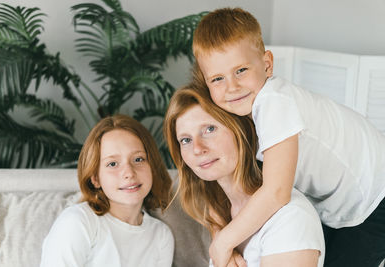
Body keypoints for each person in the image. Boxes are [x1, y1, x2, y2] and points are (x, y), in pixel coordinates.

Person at [191, 7, 385, 267]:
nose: (232, 87)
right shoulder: (244, 110)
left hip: (375, 197)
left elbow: (276, 192)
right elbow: (224, 187)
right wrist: (221, 233)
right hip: (348, 196)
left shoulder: (274, 103)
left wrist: (223, 242)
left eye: (241, 71)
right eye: (217, 79)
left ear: (267, 64)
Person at [164, 85, 325, 267]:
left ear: (240, 130)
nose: (197, 149)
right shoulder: (222, 214)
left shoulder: (289, 219)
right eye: (186, 140)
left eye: (209, 129)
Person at [40, 114, 174, 267]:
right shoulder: (79, 221)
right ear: (95, 178)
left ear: (153, 167)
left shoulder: (161, 236)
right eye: (112, 164)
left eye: (138, 159)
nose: (129, 173)